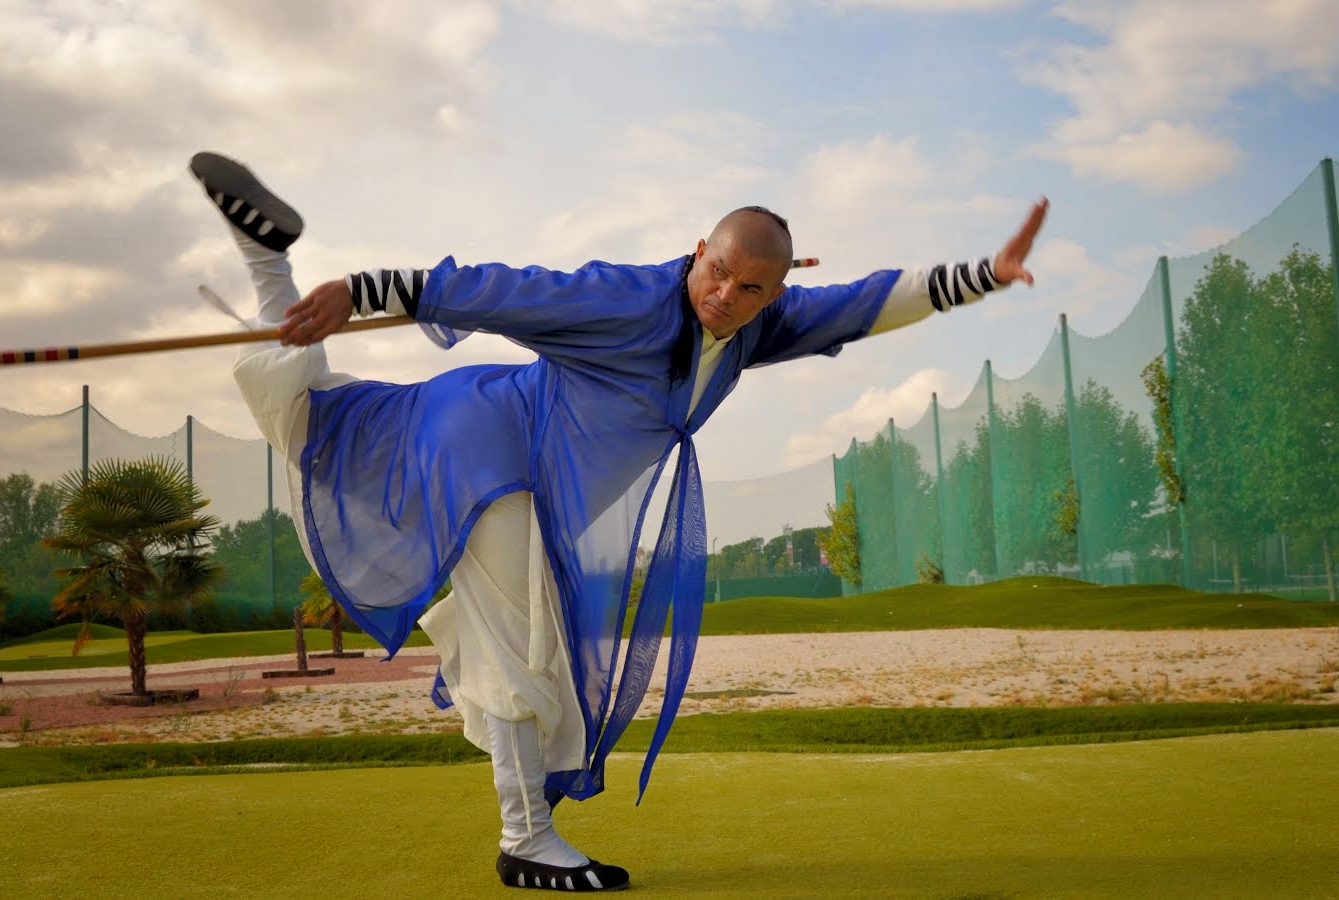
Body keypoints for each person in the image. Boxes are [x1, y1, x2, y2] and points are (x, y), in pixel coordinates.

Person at [193, 151, 1047, 892]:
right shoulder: (625, 298)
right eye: (716, 270)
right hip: (493, 457)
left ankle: (264, 255)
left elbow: (868, 302)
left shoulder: (759, 324)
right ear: (696, 251)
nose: (725, 294)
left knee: (304, 420)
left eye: (752, 286)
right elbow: (509, 291)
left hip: (506, 469)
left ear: (777, 288)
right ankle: (525, 840)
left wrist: (984, 275)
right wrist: (367, 290)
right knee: (521, 647)